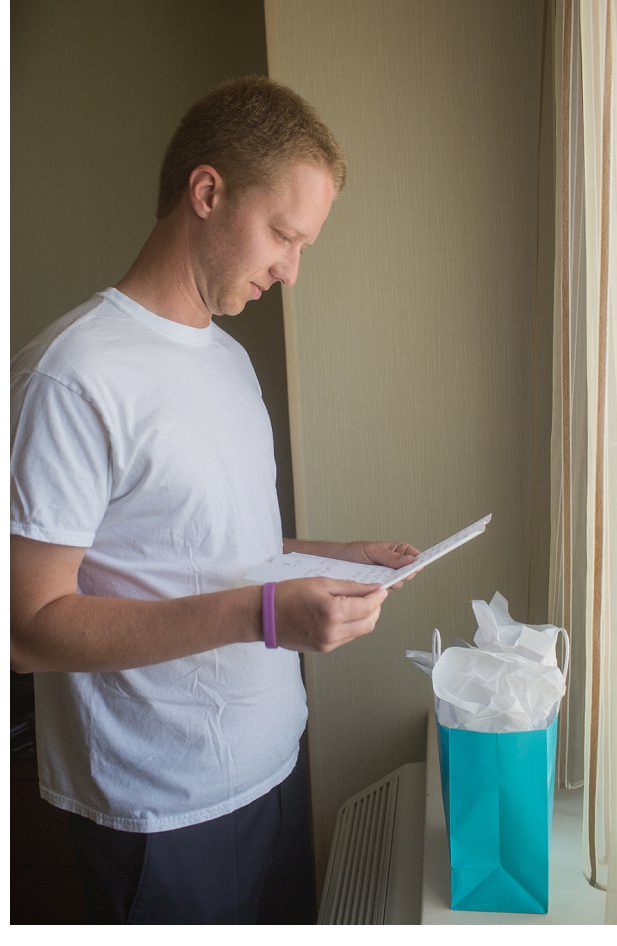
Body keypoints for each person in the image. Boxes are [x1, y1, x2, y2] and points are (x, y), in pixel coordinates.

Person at [11, 77, 416, 923]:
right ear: (207, 192)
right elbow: (27, 627)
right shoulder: (73, 375)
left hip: (273, 767)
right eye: (283, 235)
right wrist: (266, 615)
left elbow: (195, 545)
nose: (291, 270)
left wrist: (330, 556)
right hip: (162, 811)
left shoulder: (228, 361)